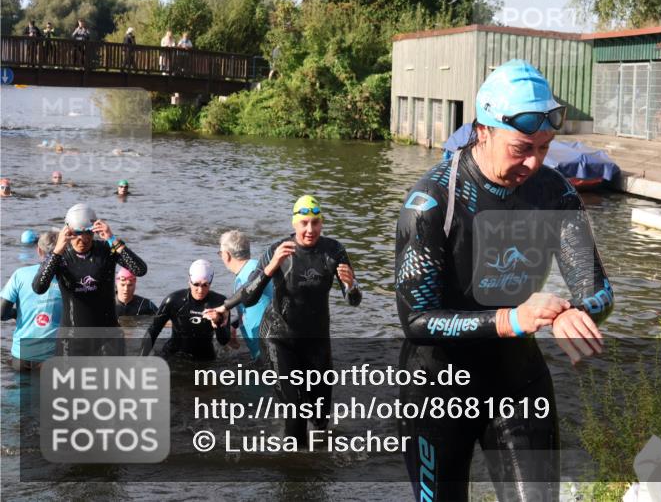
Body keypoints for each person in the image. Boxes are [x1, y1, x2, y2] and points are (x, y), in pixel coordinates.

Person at [394, 59, 614, 502]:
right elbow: (417, 320)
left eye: (545, 147)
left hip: (518, 384)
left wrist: (575, 312)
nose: (533, 162)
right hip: (436, 391)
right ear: (483, 131)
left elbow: (600, 291)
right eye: (521, 148)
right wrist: (512, 319)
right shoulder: (431, 201)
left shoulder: (555, 193)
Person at [204, 195, 361, 442]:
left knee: (320, 418)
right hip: (279, 339)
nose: (310, 229)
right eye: (304, 223)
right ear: (294, 224)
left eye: (315, 222)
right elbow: (250, 297)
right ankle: (293, 472)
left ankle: (318, 471)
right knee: (296, 411)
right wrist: (271, 267)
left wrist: (351, 286)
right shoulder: (277, 251)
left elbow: (353, 300)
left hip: (316, 341)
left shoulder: (334, 250)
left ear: (321, 223)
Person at [33, 203, 147, 355]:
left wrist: (112, 239)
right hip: (72, 339)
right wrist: (57, 250)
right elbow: (38, 287)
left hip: (108, 337)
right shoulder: (60, 256)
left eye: (88, 234)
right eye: (77, 234)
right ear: (68, 232)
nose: (83, 239)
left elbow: (140, 270)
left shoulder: (107, 250)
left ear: (94, 231)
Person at [141, 260, 229, 360]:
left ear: (211, 282)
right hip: (174, 355)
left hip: (204, 359)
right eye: (196, 284)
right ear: (189, 281)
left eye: (205, 285)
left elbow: (224, 341)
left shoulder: (219, 303)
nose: (200, 290)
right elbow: (153, 330)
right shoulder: (173, 300)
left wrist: (218, 322)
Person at [1, 231, 62, 371]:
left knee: (19, 392)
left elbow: (1, 313)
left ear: (39, 251)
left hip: (21, 356)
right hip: (53, 357)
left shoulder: (20, 275)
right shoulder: (70, 279)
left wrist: (16, 313)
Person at [218, 230, 272, 362]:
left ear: (226, 255)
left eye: (220, 253)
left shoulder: (252, 273)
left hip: (269, 353)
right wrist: (234, 325)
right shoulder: (252, 269)